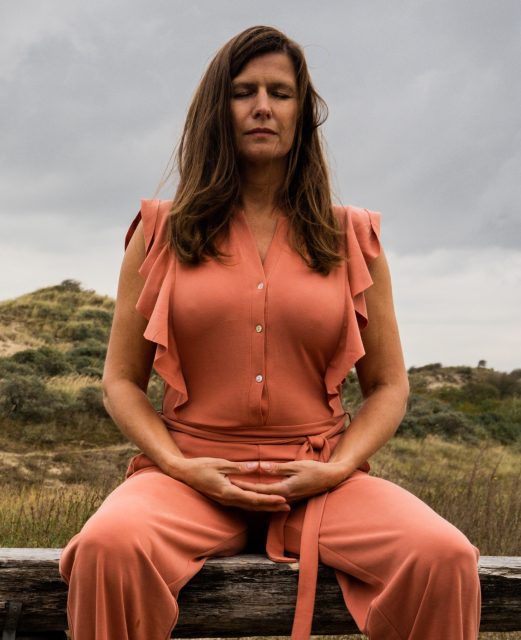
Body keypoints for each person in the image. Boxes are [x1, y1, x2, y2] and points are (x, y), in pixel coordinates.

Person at [59, 25, 481, 640]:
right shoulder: (160, 235)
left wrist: (337, 470)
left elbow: (389, 387)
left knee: (445, 556)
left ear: (302, 113)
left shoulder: (351, 238)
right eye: (243, 91)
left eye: (280, 93)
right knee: (106, 546)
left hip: (320, 478)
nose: (262, 106)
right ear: (217, 110)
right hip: (192, 477)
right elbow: (121, 382)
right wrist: (179, 465)